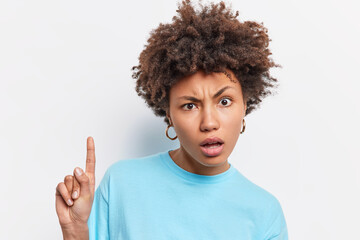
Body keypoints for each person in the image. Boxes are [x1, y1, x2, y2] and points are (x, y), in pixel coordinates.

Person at [55, 0, 288, 239]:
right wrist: (74, 231)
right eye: (190, 105)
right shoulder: (121, 184)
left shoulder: (264, 213)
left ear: (245, 105)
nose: (209, 122)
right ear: (169, 115)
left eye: (224, 101)